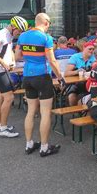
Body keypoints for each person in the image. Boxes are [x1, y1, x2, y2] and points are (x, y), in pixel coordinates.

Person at [16, 13, 62, 156]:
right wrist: (60, 77)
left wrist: (30, 56)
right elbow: (52, 60)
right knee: (45, 113)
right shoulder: (46, 38)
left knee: (30, 111)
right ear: (46, 23)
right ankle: (44, 147)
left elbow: (17, 56)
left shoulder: (22, 36)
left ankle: (29, 144)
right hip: (42, 76)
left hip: (27, 76)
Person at [0, 16, 28, 137]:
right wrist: (2, 62)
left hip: (0, 68)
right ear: (13, 27)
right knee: (9, 98)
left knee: (1, 98)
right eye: (19, 31)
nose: (19, 33)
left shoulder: (9, 35)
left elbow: (8, 49)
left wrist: (12, 61)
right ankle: (4, 128)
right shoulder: (2, 34)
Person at [64, 41, 96, 106]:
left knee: (95, 95)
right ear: (84, 48)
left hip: (88, 83)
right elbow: (66, 73)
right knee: (72, 97)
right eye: (90, 49)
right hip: (75, 83)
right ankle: (75, 113)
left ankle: (85, 113)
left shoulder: (94, 58)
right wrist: (77, 71)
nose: (92, 51)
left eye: (93, 49)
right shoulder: (75, 57)